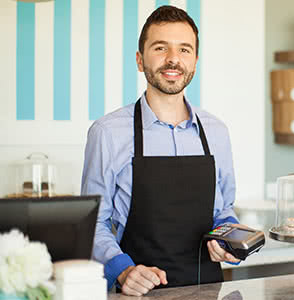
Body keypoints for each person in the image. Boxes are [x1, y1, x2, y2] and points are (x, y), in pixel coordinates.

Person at [81, 5, 241, 296]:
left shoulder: (217, 132)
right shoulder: (107, 133)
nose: (173, 60)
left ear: (195, 61)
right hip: (138, 293)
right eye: (160, 48)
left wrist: (230, 238)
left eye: (184, 50)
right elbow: (93, 224)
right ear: (141, 60)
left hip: (207, 289)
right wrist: (124, 270)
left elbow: (222, 211)